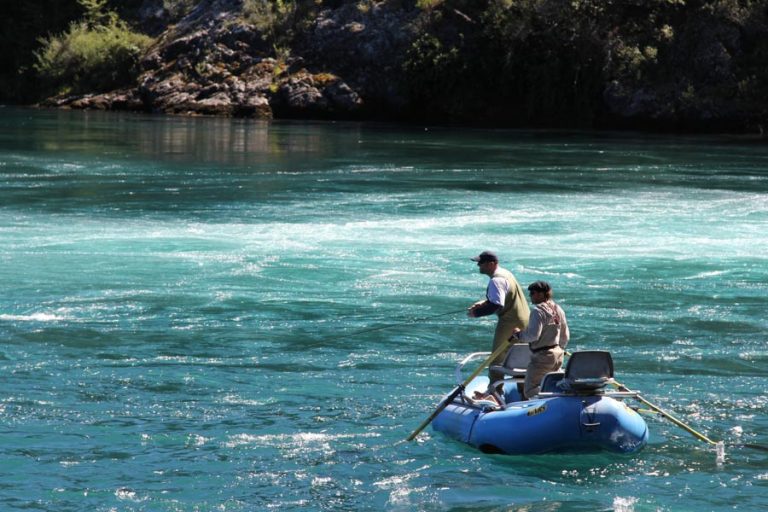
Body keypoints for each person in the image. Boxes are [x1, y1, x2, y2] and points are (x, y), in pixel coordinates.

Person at [467, 251, 530, 391]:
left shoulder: (496, 280)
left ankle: (495, 394)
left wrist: (476, 313)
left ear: (491, 264)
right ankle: (525, 394)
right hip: (524, 320)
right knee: (521, 360)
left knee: (496, 360)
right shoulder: (506, 273)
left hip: (510, 322)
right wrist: (484, 302)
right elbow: (504, 297)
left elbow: (496, 305)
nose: (478, 265)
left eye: (480, 263)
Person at [511, 280, 570, 399]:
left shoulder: (538, 311)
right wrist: (559, 349)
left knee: (530, 390)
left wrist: (519, 334)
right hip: (558, 355)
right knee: (552, 384)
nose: (530, 296)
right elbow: (565, 336)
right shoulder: (558, 309)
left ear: (541, 294)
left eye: (532, 293)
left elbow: (533, 336)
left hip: (542, 356)